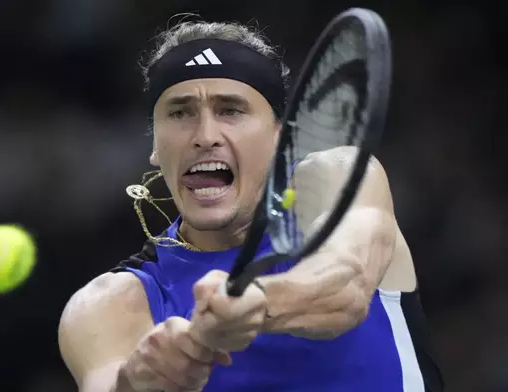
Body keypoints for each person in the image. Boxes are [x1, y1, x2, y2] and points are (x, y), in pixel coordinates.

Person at [58, 18, 444, 392]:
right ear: (155, 145)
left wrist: (255, 303)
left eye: (231, 110)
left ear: (281, 136)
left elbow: (346, 285)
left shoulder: (336, 177)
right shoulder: (107, 304)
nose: (205, 135)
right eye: (179, 112)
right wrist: (138, 381)